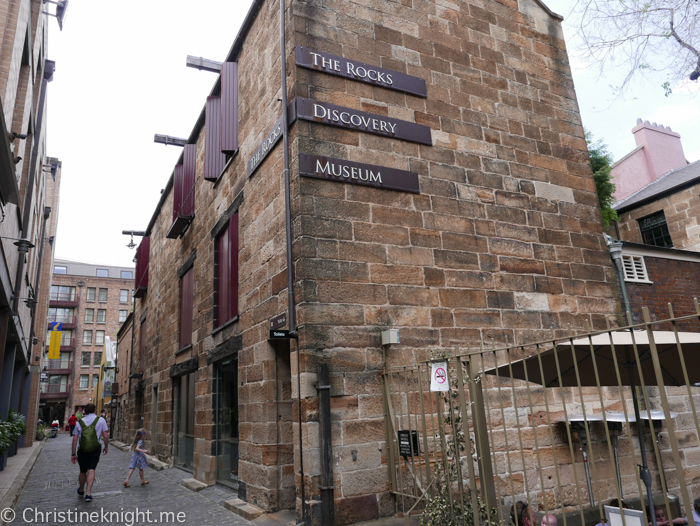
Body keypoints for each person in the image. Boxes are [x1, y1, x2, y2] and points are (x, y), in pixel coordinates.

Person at [71, 403, 109, 502]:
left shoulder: (80, 422)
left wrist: (73, 453)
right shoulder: (100, 420)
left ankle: (81, 489)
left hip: (82, 449)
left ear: (85, 411)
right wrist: (106, 447)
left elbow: (75, 439)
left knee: (83, 471)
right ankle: (88, 493)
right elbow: (105, 435)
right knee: (91, 469)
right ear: (94, 410)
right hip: (95, 448)